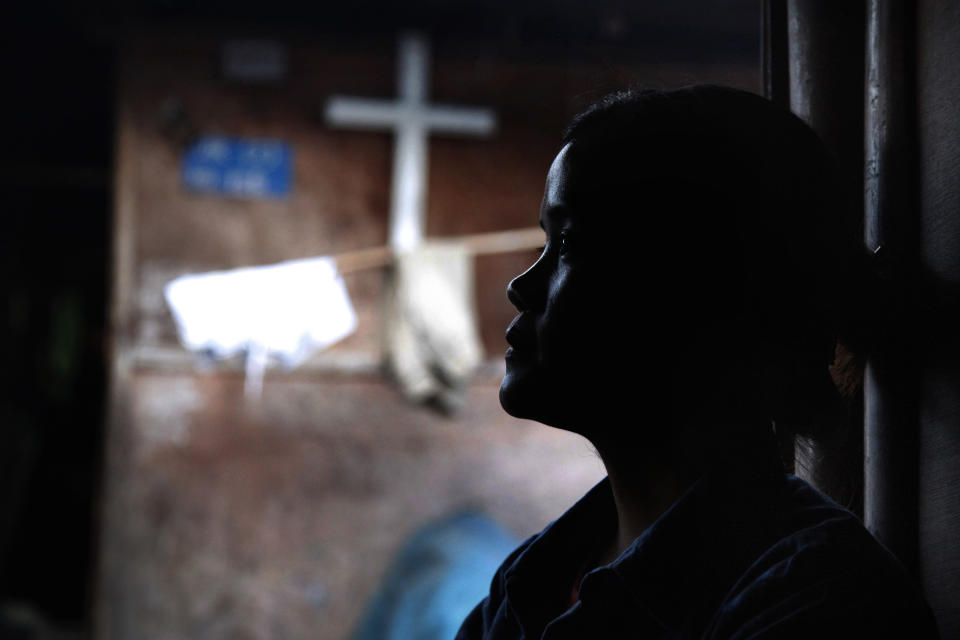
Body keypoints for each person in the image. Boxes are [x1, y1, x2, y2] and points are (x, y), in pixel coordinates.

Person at [455, 85, 938, 639]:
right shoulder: (528, 583)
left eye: (568, 244)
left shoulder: (822, 602)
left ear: (702, 290)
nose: (521, 285)